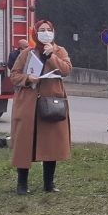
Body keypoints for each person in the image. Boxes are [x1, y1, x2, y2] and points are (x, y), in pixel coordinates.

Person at [8, 19, 73, 194]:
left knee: (51, 142)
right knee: (25, 143)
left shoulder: (60, 51)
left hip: (52, 102)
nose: (45, 32)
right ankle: (22, 184)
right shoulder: (27, 53)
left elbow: (66, 70)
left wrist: (52, 56)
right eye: (42, 30)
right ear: (35, 33)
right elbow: (14, 75)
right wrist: (28, 79)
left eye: (48, 29)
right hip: (29, 103)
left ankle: (49, 184)